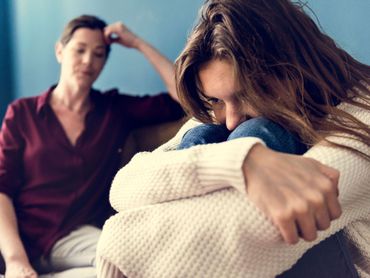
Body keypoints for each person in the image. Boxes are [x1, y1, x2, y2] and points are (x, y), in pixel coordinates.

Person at [96, 0, 370, 277]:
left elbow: (236, 229)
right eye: (216, 100)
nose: (231, 118)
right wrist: (241, 161)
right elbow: (125, 185)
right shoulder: (232, 116)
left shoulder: (361, 117)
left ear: (295, 70)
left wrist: (114, 240)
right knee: (208, 133)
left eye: (247, 94)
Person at [0, 15, 184, 277]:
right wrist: (15, 260)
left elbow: (184, 97)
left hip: (76, 240)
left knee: (136, 259)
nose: (88, 61)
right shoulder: (22, 113)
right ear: (60, 51)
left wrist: (137, 43)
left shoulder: (114, 110)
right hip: (17, 239)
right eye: (80, 50)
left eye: (99, 54)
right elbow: (2, 189)